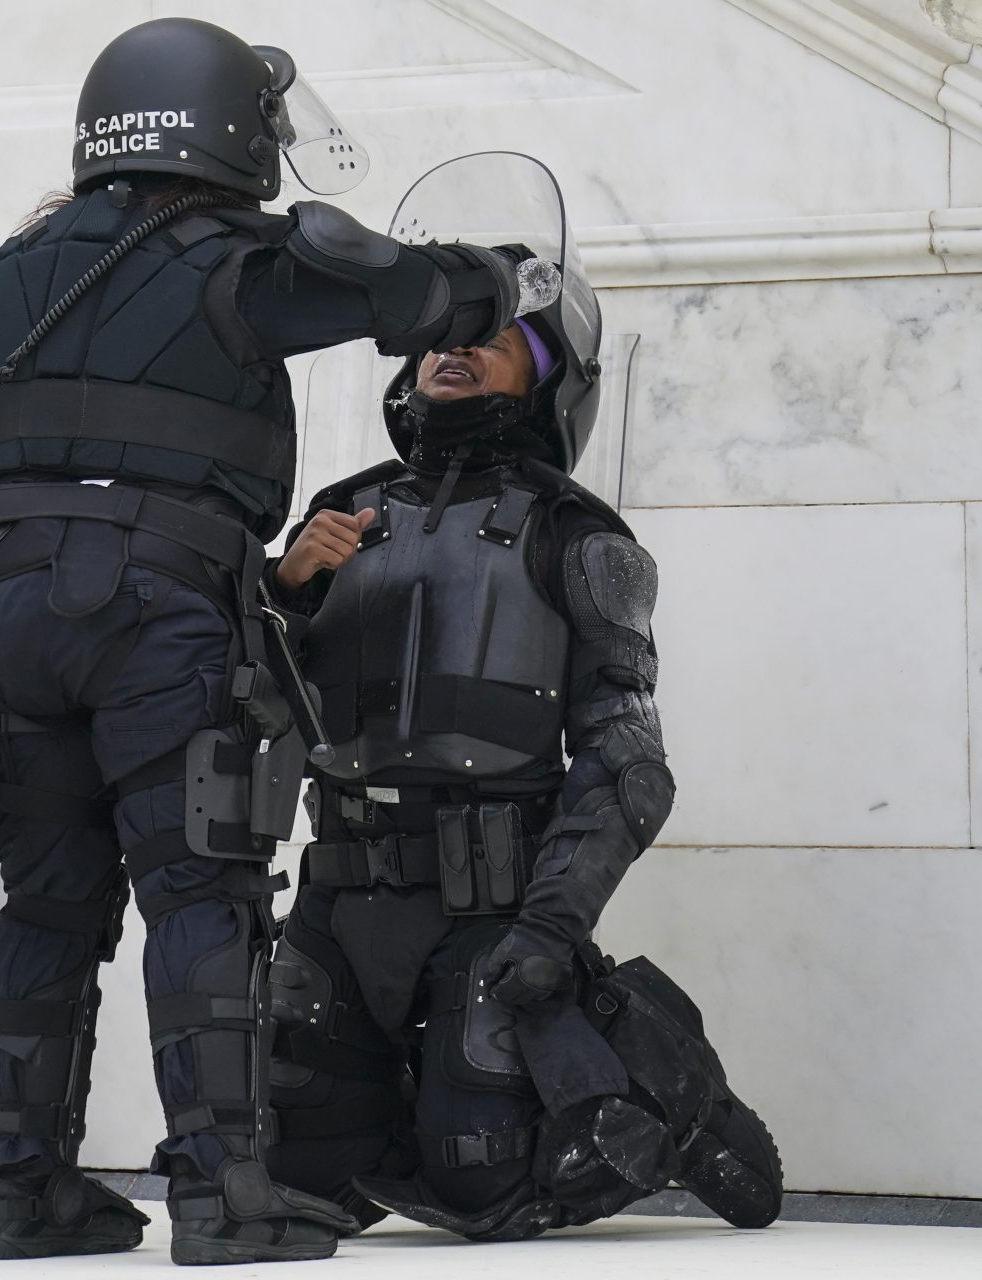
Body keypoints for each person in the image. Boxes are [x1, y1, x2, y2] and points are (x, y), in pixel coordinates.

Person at [0, 17, 529, 1265]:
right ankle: (222, 1198)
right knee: (200, 888)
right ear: (233, 127)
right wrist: (492, 279)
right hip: (155, 601)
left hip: (3, 612)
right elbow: (426, 297)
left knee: (48, 900)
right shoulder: (237, 258)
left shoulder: (12, 267)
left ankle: (19, 1193)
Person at [264, 286, 785, 1239]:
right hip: (338, 904)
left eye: (493, 339)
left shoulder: (577, 535)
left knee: (482, 1190)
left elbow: (629, 764)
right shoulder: (339, 516)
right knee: (296, 1179)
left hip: (489, 914)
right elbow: (240, 703)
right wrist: (282, 592)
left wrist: (549, 932)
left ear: (549, 380)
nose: (455, 352)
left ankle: (667, 1093)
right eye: (442, 339)